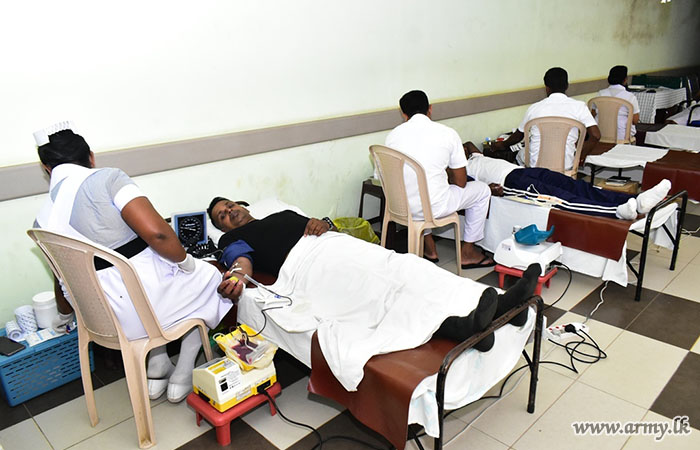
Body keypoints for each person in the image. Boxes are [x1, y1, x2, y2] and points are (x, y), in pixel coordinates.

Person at [208, 197, 541, 390]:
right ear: (222, 227)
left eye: (229, 205)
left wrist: (323, 224)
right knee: (385, 293)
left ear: (242, 203)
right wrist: (237, 277)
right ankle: (466, 327)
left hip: (339, 246)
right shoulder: (231, 239)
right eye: (222, 216)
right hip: (310, 267)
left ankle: (502, 304)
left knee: (411, 268)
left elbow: (323, 225)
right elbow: (240, 261)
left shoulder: (281, 214)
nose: (229, 212)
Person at [33, 122, 234, 403]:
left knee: (148, 286)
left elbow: (61, 283)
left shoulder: (41, 220)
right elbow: (158, 234)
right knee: (210, 277)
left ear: (47, 168)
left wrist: (64, 317)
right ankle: (183, 372)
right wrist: (187, 263)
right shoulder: (108, 179)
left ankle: (157, 365)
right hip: (145, 310)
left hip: (103, 321)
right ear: (91, 157)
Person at [384, 90, 494, 269]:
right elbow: (461, 182)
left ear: (403, 114)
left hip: (401, 208)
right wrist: (446, 175)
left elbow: (386, 177)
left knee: (419, 189)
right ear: (430, 109)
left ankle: (430, 248)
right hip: (434, 208)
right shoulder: (447, 133)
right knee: (482, 190)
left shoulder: (392, 137)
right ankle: (467, 252)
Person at [463, 142, 671, 220]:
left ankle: (636, 200)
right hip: (509, 183)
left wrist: (463, 148)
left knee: (576, 185)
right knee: (562, 198)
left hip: (522, 170)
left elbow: (470, 144)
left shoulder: (473, 157)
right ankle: (616, 211)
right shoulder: (461, 171)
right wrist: (488, 189)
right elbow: (468, 188)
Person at [492, 67, 601, 170]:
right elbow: (596, 135)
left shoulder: (534, 108)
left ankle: (529, 179)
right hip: (566, 165)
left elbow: (517, 137)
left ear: (546, 87)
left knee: (520, 154)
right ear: (567, 86)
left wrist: (501, 144)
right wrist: (581, 156)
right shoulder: (579, 107)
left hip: (537, 166)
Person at [594, 65, 641, 141]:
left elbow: (592, 114)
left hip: (601, 134)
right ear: (625, 80)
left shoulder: (600, 94)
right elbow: (635, 120)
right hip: (622, 136)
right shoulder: (630, 97)